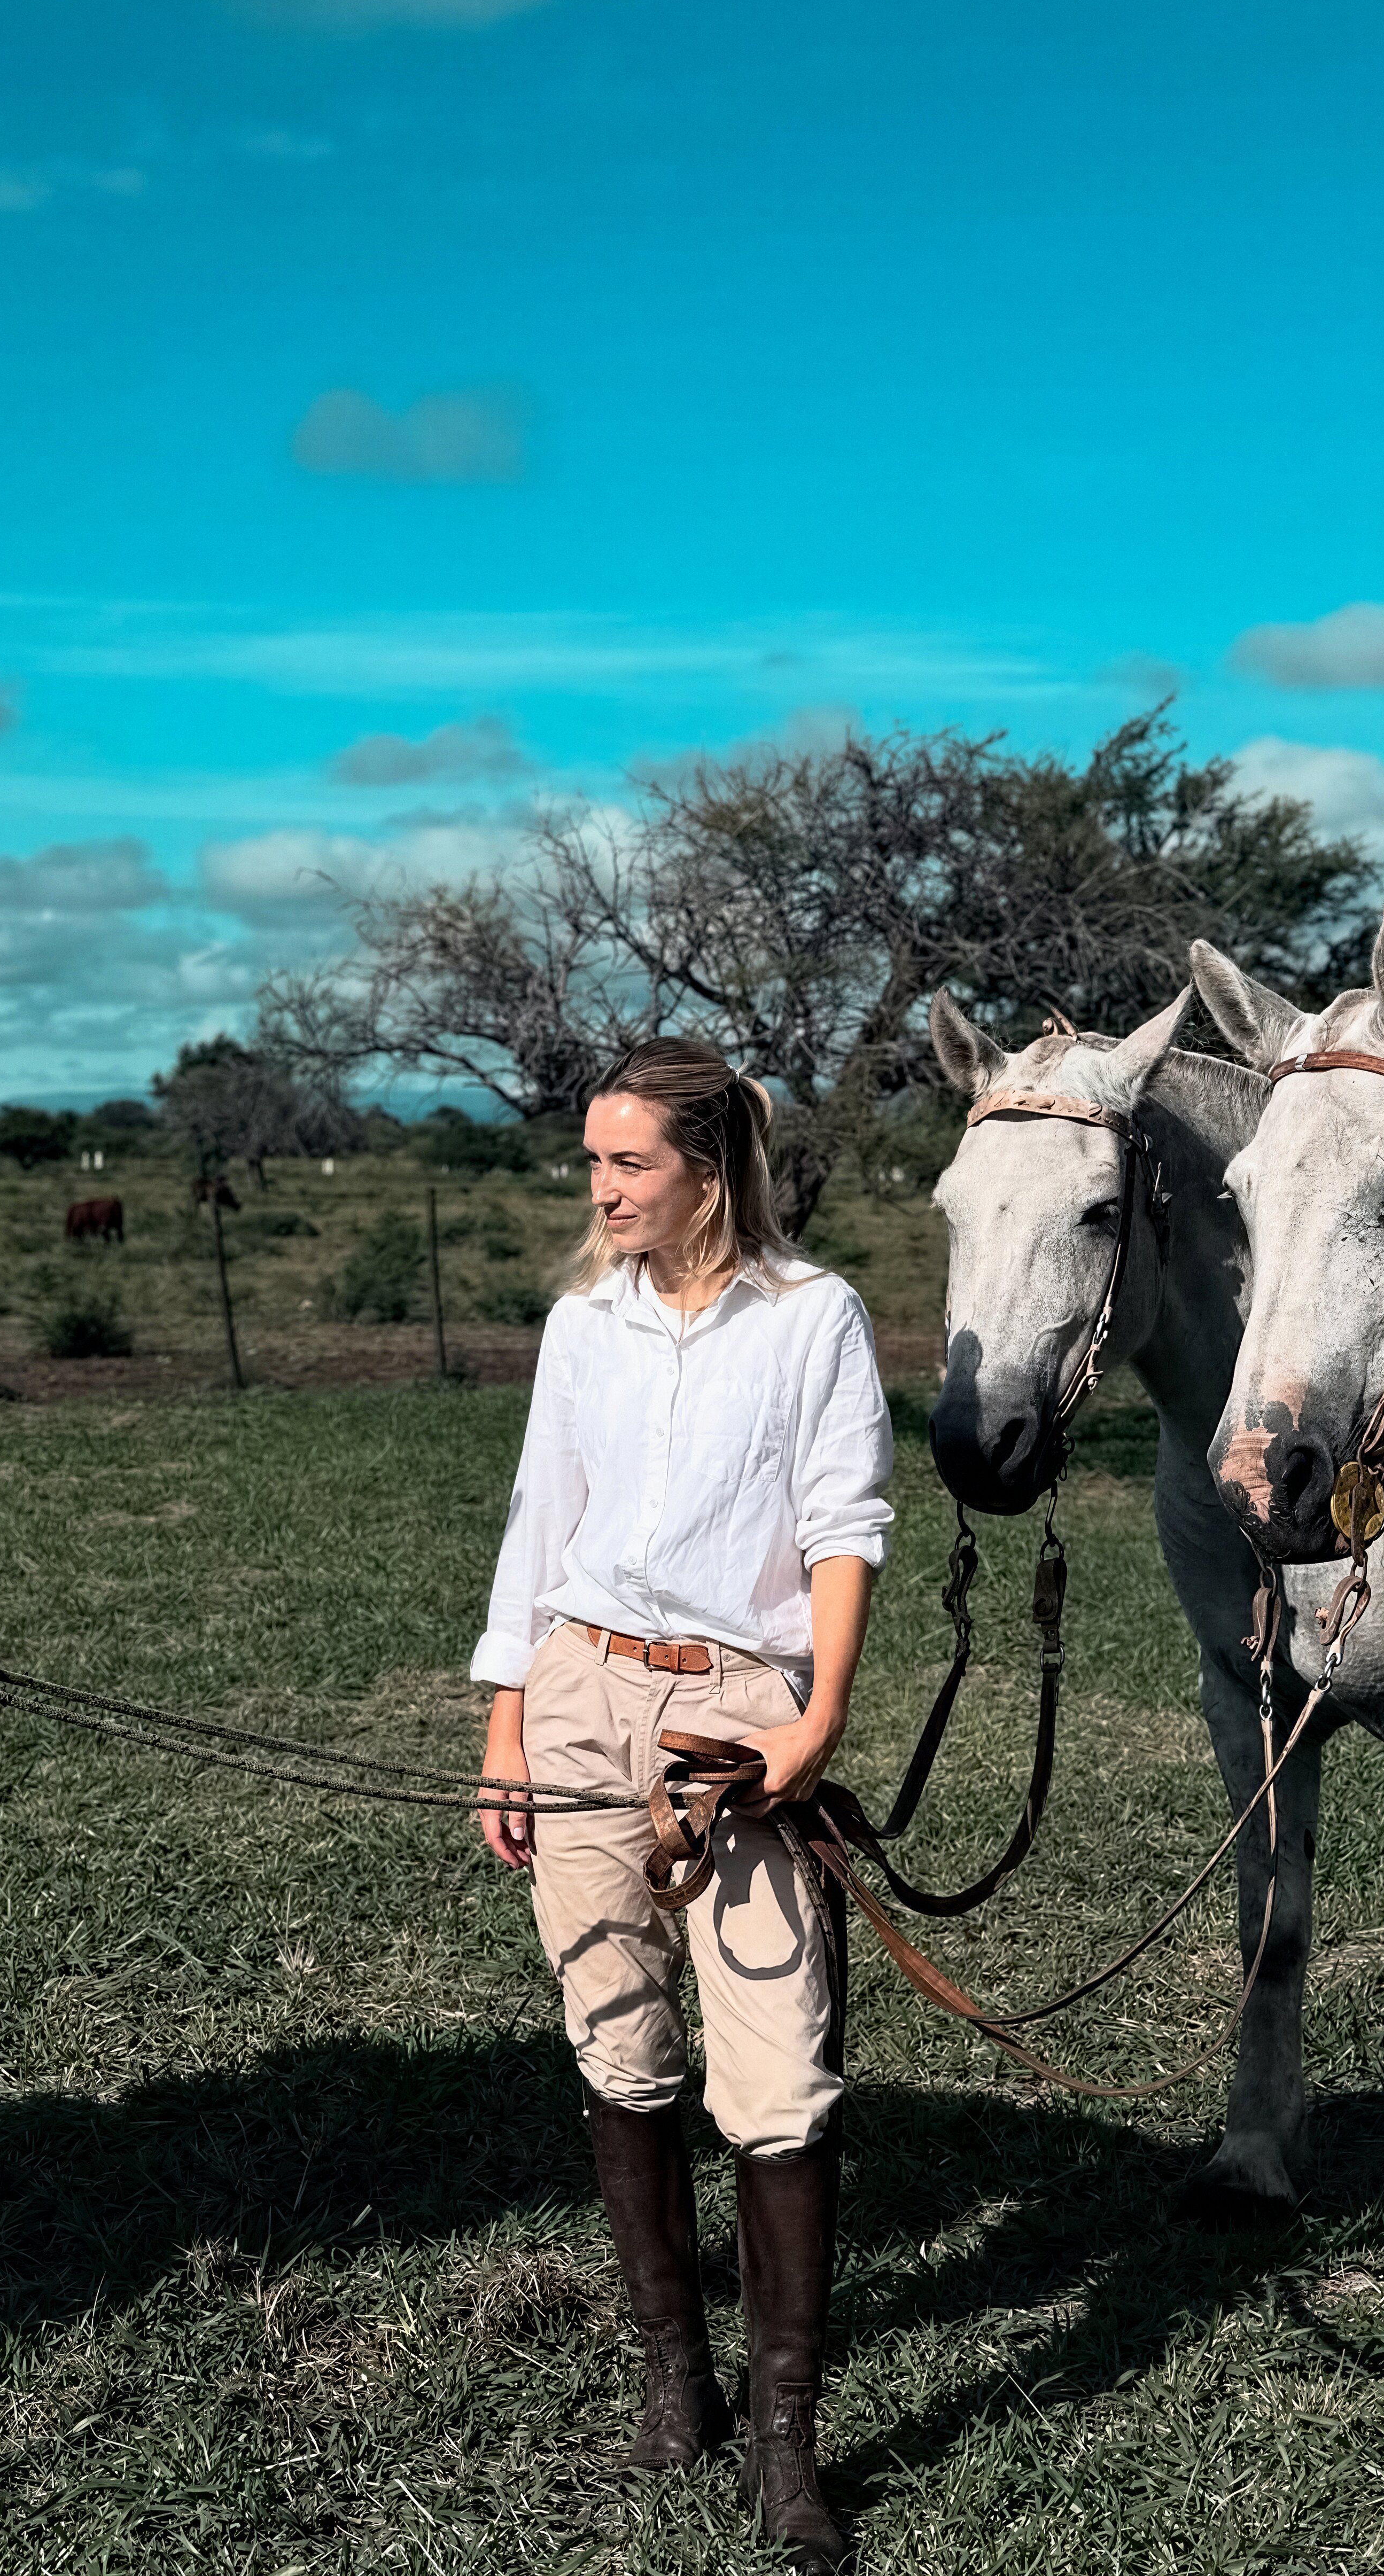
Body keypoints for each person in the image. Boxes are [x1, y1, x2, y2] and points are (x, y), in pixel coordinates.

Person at [471, 1037, 893, 2576]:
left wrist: (815, 1718)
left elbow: (845, 1522)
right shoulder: (583, 1323)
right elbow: (542, 1518)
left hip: (735, 1711)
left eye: (629, 1161)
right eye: (594, 1160)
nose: (601, 1187)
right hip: (581, 1687)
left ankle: (790, 2444)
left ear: (709, 1172)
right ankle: (677, 2373)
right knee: (619, 2044)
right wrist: (509, 1721)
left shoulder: (812, 1316)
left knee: (778, 2077)